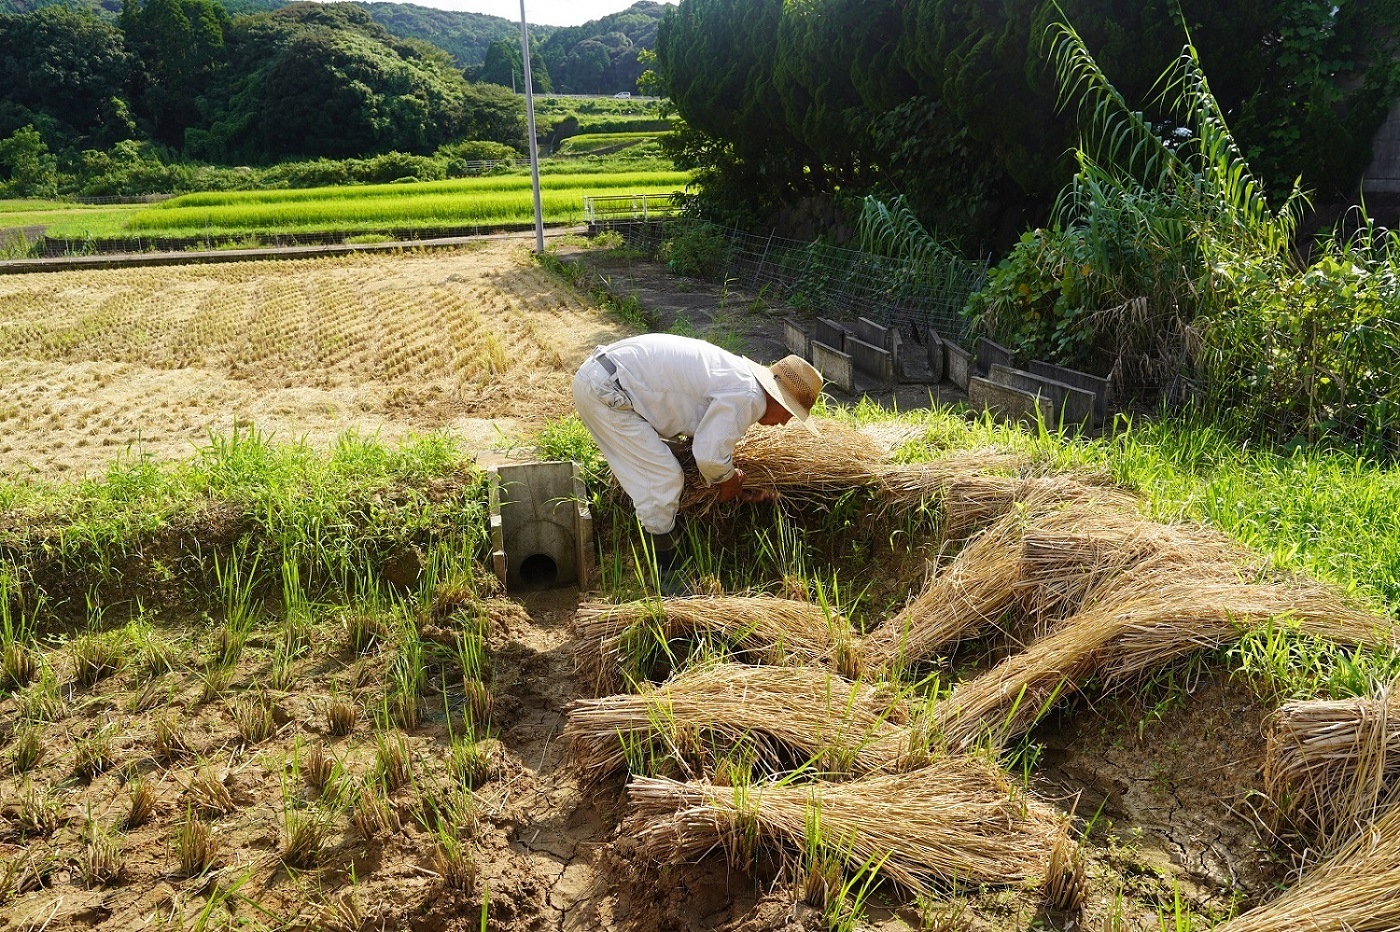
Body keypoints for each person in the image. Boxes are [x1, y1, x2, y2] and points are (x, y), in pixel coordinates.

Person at [572, 333, 823, 578]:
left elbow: (703, 435)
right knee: (661, 481)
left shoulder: (742, 379)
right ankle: (669, 577)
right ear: (778, 399)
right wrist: (729, 481)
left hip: (607, 376)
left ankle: (669, 552)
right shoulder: (750, 397)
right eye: (790, 412)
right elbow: (710, 457)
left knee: (665, 467)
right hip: (606, 392)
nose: (785, 423)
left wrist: (723, 476)